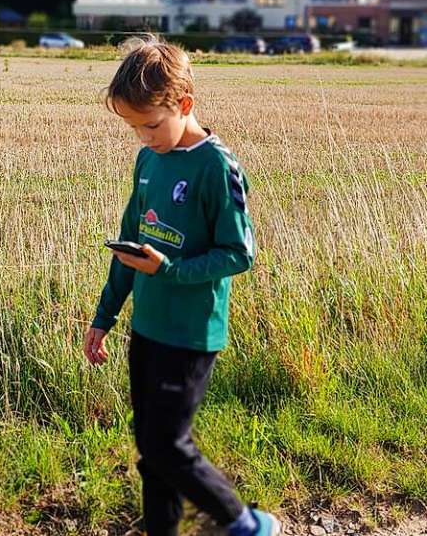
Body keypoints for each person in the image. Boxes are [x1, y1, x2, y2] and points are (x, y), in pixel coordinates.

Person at [84, 36, 280, 536]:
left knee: (168, 445)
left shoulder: (217, 166)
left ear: (184, 104)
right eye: (133, 128)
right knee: (150, 449)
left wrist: (168, 269)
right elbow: (130, 245)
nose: (144, 138)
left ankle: (247, 524)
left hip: (190, 335)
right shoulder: (149, 160)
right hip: (146, 327)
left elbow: (239, 253)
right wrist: (103, 318)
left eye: (150, 124)